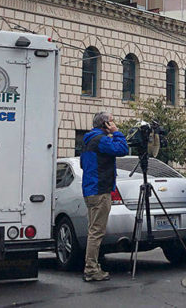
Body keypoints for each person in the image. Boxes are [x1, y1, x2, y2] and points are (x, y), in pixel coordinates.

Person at [79, 111, 129, 282]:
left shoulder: (88, 140)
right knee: (96, 232)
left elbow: (83, 164)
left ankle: (91, 266)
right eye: (112, 122)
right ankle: (91, 269)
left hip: (90, 190)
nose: (114, 124)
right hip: (100, 190)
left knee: (93, 230)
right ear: (105, 124)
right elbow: (122, 149)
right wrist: (116, 132)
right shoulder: (101, 139)